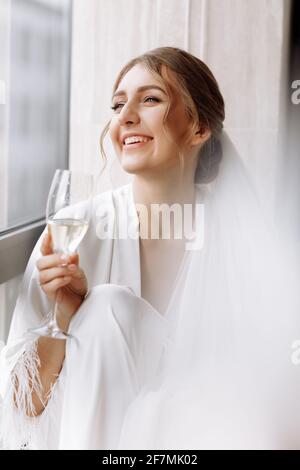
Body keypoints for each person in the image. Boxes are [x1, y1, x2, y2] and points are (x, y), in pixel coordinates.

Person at [1, 47, 299, 450]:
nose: (124, 117)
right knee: (106, 308)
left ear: (199, 129)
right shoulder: (73, 235)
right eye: (118, 104)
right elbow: (17, 406)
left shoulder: (239, 243)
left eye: (151, 99)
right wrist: (64, 319)